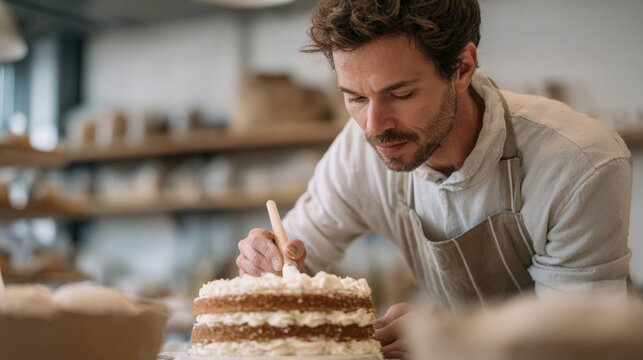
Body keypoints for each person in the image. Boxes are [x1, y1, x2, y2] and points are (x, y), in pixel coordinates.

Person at [236, 0, 633, 358]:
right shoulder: (358, 153)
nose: (374, 127)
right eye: (355, 98)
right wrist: (266, 265)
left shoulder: (577, 163)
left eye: (402, 94)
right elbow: (292, 264)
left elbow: (575, 345)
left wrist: (451, 339)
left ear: (462, 68)